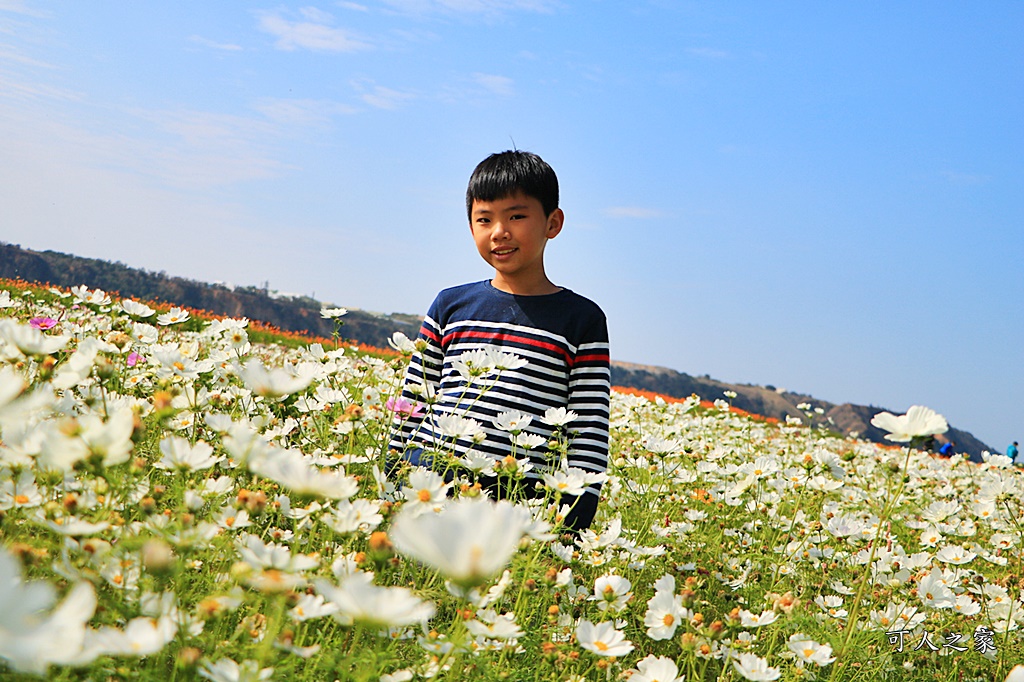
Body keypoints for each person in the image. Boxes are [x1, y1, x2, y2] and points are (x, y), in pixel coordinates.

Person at [388, 150, 610, 533]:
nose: (499, 232)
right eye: (484, 219)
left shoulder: (582, 320)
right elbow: (415, 397)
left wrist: (573, 519)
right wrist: (393, 470)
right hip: (429, 484)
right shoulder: (450, 305)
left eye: (516, 217)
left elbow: (588, 425)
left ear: (553, 223)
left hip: (517, 499)